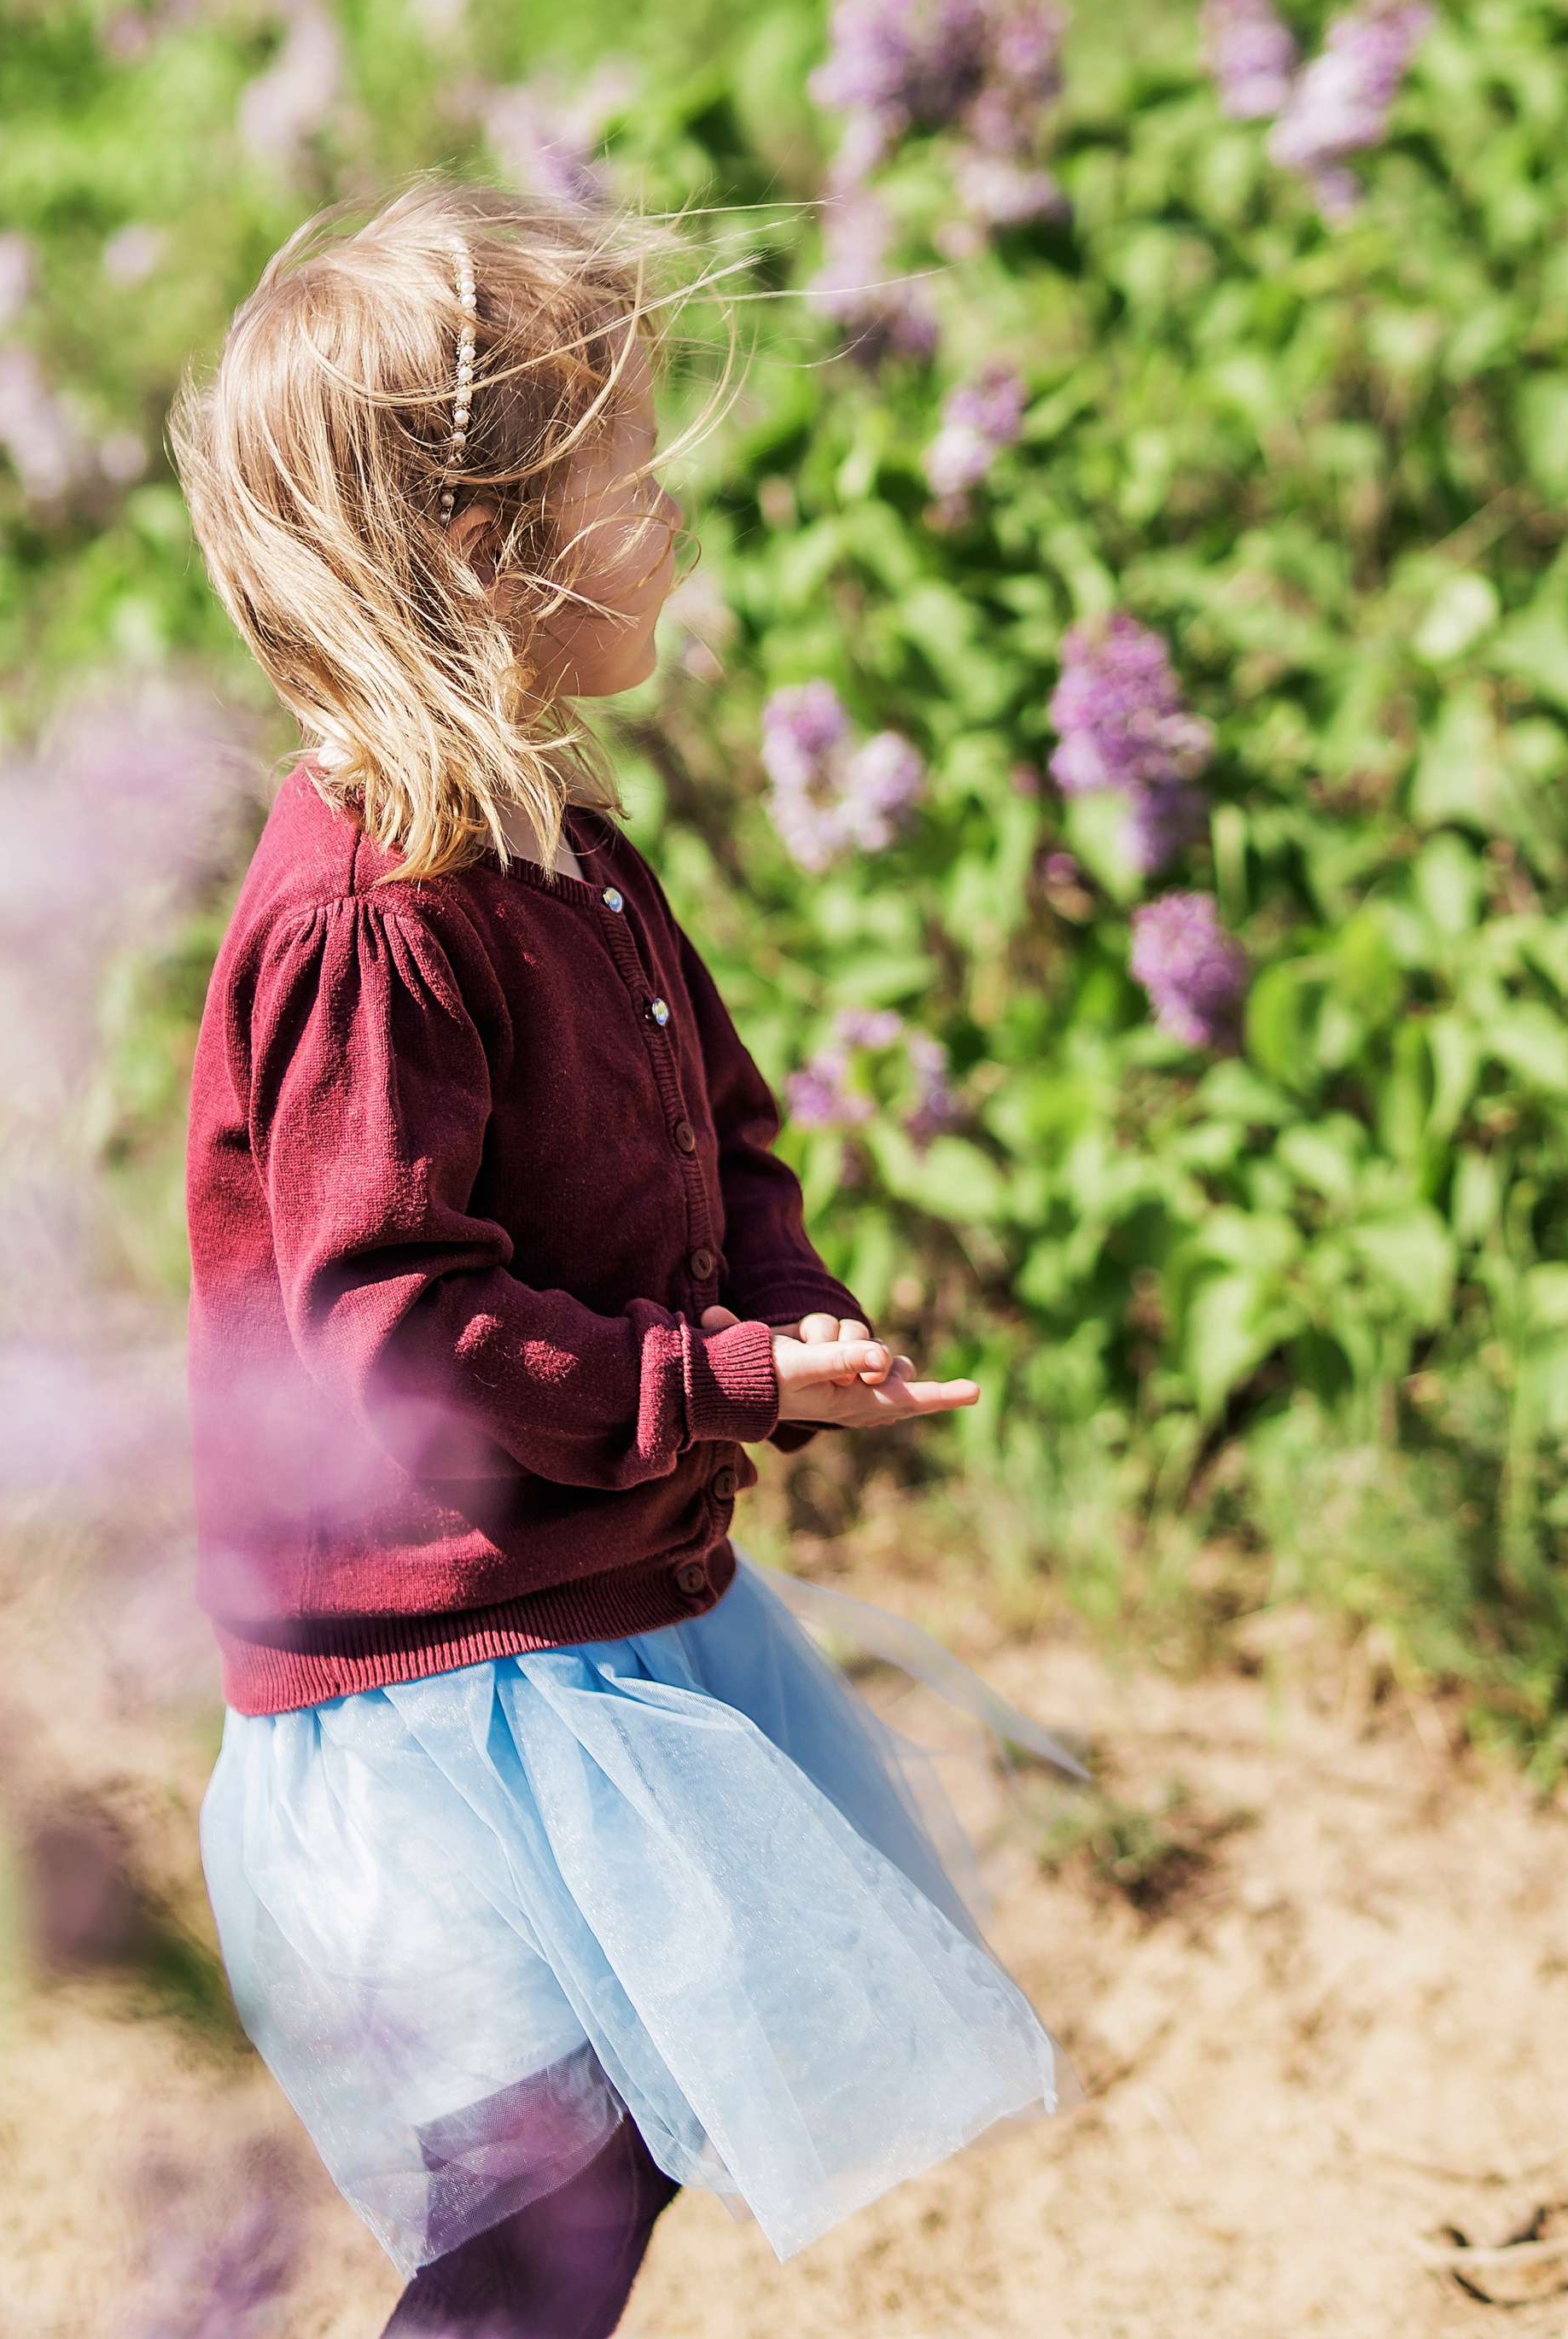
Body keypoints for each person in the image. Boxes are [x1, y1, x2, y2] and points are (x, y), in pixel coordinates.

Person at [172, 184, 1063, 2338]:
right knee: (535, 2193)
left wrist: (776, 1313)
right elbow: (389, 1319)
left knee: (608, 2150)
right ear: (481, 552)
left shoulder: (561, 843)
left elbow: (712, 1127)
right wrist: (711, 1387)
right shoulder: (371, 922)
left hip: (578, 1599)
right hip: (442, 1666)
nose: (668, 513)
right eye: (627, 471)